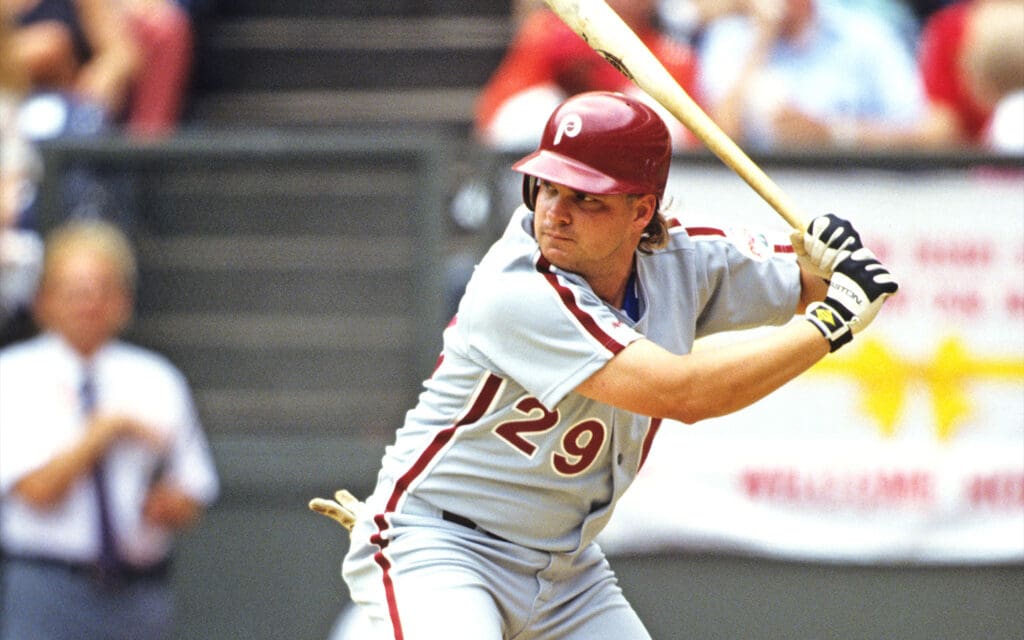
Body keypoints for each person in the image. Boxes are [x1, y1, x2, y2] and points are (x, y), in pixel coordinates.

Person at [332, 91, 897, 639]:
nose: (555, 213)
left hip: (565, 569)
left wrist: (836, 261)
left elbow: (820, 282)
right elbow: (686, 394)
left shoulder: (684, 257)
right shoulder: (516, 291)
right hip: (442, 543)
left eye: (586, 198)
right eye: (547, 188)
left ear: (642, 211)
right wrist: (829, 325)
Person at [0, 218, 220, 640]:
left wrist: (166, 505)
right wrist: (104, 431)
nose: (90, 303)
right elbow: (37, 492)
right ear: (44, 300)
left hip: (137, 592)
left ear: (124, 300)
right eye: (75, 290)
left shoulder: (157, 378)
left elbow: (194, 489)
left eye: (103, 289)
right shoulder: (13, 376)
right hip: (46, 587)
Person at [696, 0, 925, 151]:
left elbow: (927, 133)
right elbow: (720, 135)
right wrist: (762, 39)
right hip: (757, 200)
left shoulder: (866, 35)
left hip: (858, 191)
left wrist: (832, 134)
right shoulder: (728, 37)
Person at [474, 0, 699, 151]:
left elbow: (691, 142)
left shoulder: (673, 53)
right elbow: (492, 120)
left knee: (649, 112)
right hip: (541, 179)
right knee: (535, 108)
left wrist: (608, 89)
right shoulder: (549, 34)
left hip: (633, 185)